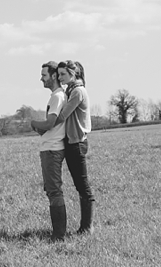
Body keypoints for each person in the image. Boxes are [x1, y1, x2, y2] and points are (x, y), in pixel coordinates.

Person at [54, 60, 95, 234]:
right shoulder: (71, 90)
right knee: (79, 185)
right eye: (59, 74)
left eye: (63, 74)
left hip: (77, 143)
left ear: (74, 74)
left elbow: (62, 115)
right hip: (71, 142)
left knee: (83, 186)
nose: (59, 77)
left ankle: (87, 227)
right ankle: (85, 226)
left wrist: (44, 124)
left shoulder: (77, 91)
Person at [30, 61, 68, 241]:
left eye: (44, 75)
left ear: (53, 76)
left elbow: (50, 123)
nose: (41, 79)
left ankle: (59, 234)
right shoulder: (57, 96)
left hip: (52, 149)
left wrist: (33, 123)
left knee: (54, 191)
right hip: (50, 148)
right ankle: (57, 233)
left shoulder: (57, 96)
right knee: (52, 190)